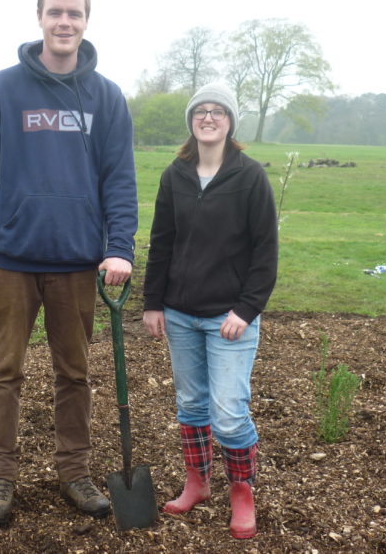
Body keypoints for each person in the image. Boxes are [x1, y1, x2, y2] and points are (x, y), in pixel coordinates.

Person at [0, 0, 138, 525]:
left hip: (77, 262)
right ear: (40, 17)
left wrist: (120, 247)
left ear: (87, 21)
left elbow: (119, 180)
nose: (65, 23)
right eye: (56, 12)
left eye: (75, 14)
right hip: (10, 259)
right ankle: (0, 476)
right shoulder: (3, 89)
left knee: (75, 375)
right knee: (3, 372)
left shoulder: (106, 97)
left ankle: (74, 471)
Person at [142, 83, 278, 539]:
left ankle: (242, 490)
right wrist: (153, 302)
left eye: (218, 111)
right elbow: (162, 242)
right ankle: (197, 482)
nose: (208, 117)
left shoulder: (250, 176)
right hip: (180, 314)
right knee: (192, 404)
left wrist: (247, 308)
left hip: (229, 319)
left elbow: (265, 252)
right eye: (201, 110)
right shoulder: (175, 175)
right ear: (191, 121)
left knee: (229, 412)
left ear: (230, 122)